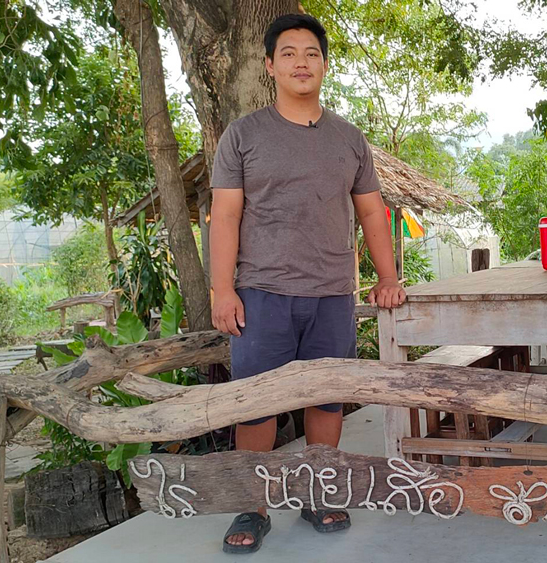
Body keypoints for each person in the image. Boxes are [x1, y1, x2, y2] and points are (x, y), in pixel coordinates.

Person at [209, 13, 406, 553]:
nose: (302, 61)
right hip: (261, 295)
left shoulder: (349, 139)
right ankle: (252, 504)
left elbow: (371, 213)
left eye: (312, 53)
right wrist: (220, 290)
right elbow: (224, 216)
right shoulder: (244, 134)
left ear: (324, 64)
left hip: (332, 295)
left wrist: (388, 278)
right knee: (256, 405)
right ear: (270, 65)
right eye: (290, 53)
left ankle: (320, 492)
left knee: (326, 400)